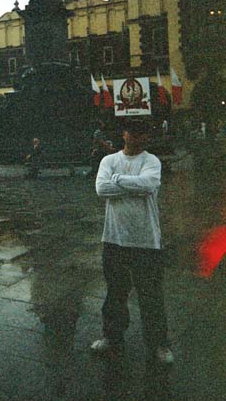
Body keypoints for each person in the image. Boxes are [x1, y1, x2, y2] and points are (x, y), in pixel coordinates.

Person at [91, 119, 174, 365]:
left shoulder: (151, 161)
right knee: (115, 292)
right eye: (134, 133)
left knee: (151, 295)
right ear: (124, 134)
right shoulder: (109, 160)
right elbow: (100, 189)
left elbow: (148, 184)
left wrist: (116, 180)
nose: (138, 138)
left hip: (146, 240)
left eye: (143, 134)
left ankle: (159, 344)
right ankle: (112, 336)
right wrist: (132, 186)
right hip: (114, 239)